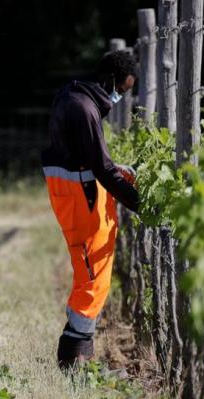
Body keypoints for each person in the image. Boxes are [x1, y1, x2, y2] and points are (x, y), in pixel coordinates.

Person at [41, 50, 140, 370]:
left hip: (72, 191)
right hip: (82, 195)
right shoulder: (85, 109)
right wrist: (139, 202)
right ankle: (74, 358)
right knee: (94, 278)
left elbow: (85, 155)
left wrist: (115, 169)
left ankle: (78, 354)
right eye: (122, 90)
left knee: (89, 274)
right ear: (110, 79)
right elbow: (99, 167)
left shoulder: (71, 95)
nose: (121, 97)